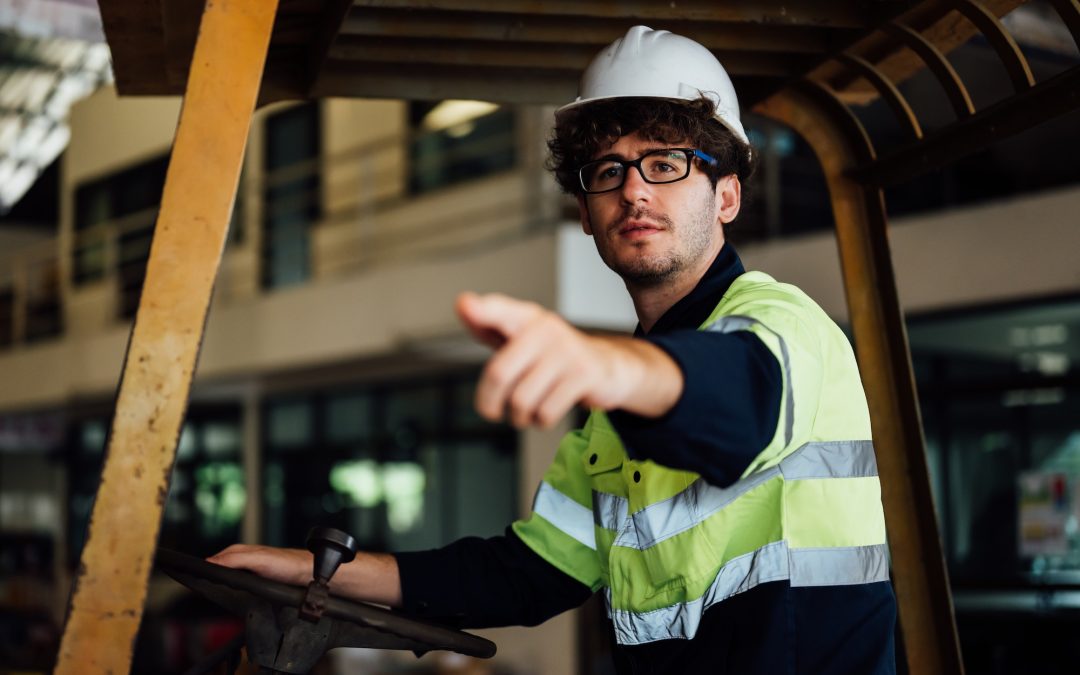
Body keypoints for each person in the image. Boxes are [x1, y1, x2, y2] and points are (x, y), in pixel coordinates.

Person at [210, 25, 897, 674]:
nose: (633, 188)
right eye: (608, 170)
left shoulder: (784, 326)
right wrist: (318, 572)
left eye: (665, 163)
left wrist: (601, 364)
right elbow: (528, 573)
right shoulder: (610, 425)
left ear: (726, 196)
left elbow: (736, 399)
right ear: (586, 213)